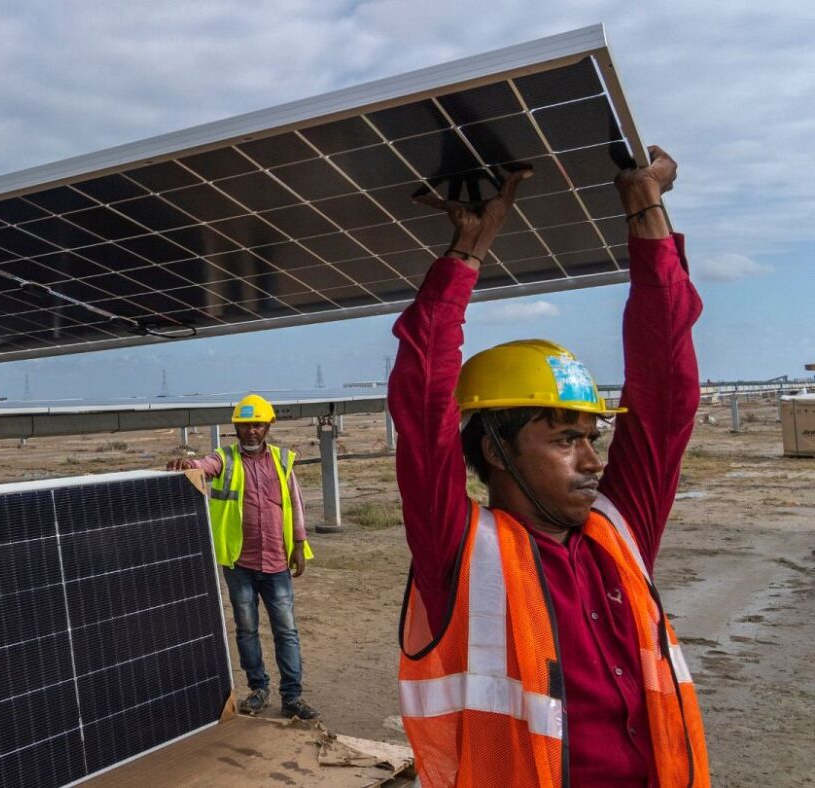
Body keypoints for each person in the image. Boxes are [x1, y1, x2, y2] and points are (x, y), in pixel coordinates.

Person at [388, 148, 709, 787]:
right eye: (565, 440)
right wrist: (466, 256)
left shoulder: (620, 532)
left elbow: (667, 389)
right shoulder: (460, 551)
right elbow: (423, 404)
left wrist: (647, 211)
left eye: (593, 436)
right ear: (493, 449)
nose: (593, 461)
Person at [167, 394, 319, 720]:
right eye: (245, 425)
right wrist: (190, 465)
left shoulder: (281, 460)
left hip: (277, 561)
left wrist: (299, 544)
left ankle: (292, 697)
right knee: (246, 629)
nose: (251, 431)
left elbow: (295, 503)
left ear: (267, 427)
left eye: (257, 424)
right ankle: (258, 690)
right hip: (239, 563)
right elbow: (206, 466)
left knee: (287, 631)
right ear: (235, 427)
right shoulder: (226, 459)